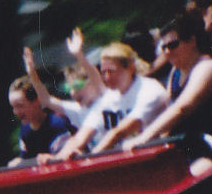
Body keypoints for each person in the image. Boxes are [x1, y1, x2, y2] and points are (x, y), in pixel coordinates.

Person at [123, 11, 212, 175]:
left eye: (172, 45)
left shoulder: (208, 68)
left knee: (190, 174)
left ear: (192, 41)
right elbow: (169, 110)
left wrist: (145, 138)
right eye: (163, 47)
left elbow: (182, 108)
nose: (167, 52)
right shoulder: (176, 72)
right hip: (190, 145)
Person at [41, 43, 169, 161]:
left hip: (158, 157)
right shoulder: (108, 99)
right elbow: (81, 136)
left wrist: (91, 156)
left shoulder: (149, 89)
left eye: (111, 71)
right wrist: (57, 158)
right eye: (103, 72)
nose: (107, 77)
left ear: (130, 68)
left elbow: (120, 132)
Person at [21, 27, 106, 135]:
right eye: (68, 88)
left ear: (91, 83)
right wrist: (32, 73)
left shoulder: (105, 96)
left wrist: (79, 54)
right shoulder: (77, 110)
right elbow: (47, 100)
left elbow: (94, 76)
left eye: (76, 86)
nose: (73, 93)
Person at [6, 76, 73, 167]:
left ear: (37, 101)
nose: (16, 112)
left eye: (20, 106)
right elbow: (25, 157)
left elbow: (67, 158)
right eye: (13, 107)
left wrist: (53, 158)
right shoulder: (25, 131)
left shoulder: (57, 125)